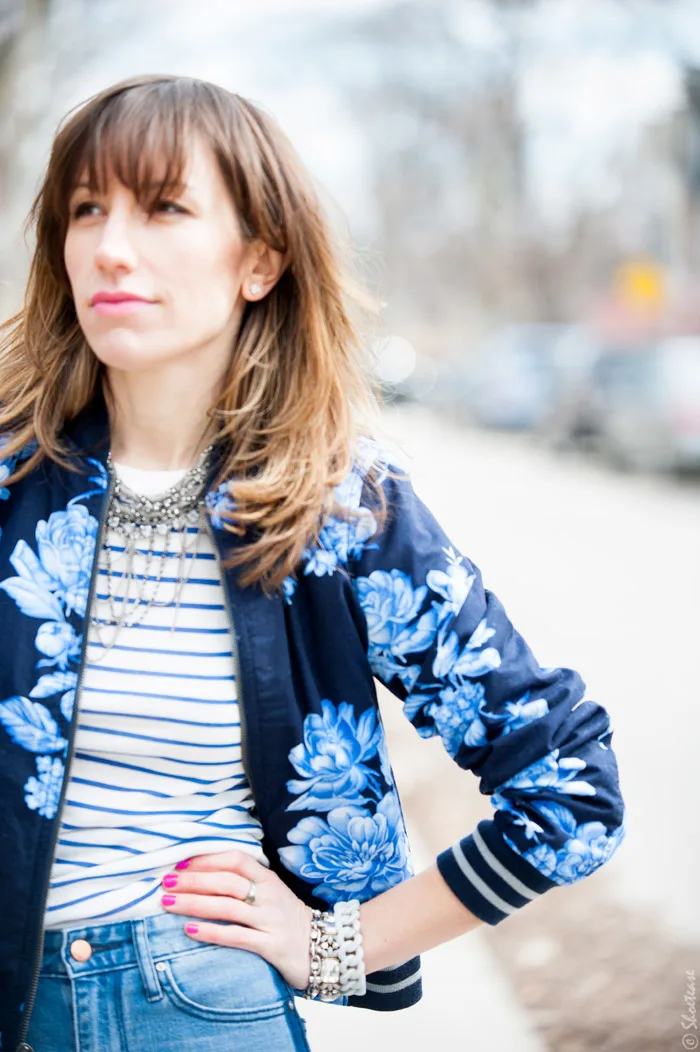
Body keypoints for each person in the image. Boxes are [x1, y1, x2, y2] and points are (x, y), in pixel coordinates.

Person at [0, 74, 626, 1052]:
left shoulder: (336, 508)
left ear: (259, 260)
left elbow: (570, 788)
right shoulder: (10, 477)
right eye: (87, 207)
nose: (111, 245)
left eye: (164, 206)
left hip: (195, 1002)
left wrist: (347, 943)